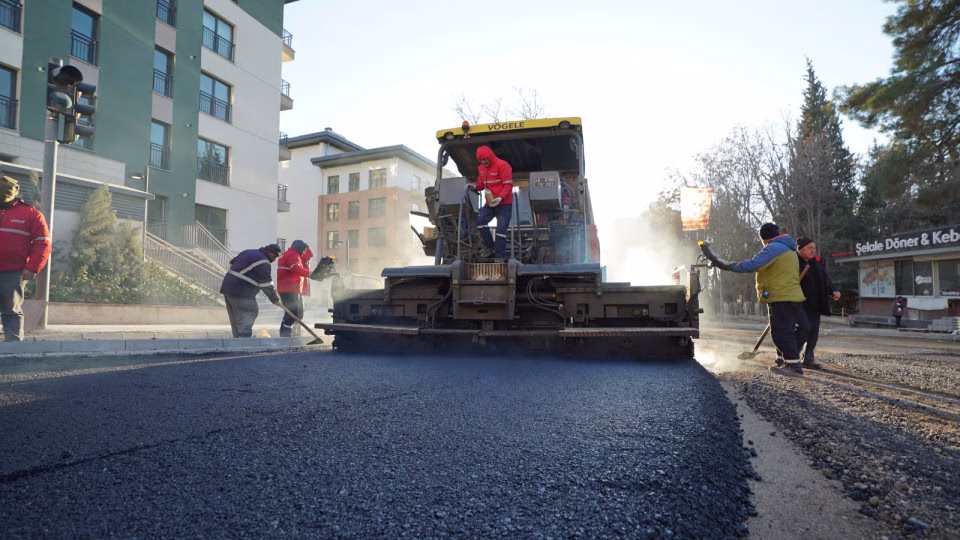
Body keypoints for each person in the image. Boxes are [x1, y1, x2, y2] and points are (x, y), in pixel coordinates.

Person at [707, 222, 807, 376]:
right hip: (793, 297)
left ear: (764, 239)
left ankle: (793, 366)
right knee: (786, 330)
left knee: (781, 333)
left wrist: (725, 265)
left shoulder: (773, 248)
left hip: (781, 297)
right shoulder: (788, 248)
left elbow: (752, 265)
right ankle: (788, 361)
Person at [0, 175, 52, 342]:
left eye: (4, 195)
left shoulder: (31, 214)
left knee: (10, 309)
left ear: (12, 194)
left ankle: (13, 348)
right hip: (12, 271)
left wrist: (32, 267)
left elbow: (43, 243)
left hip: (12, 272)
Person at [794, 236, 840, 369]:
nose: (813, 250)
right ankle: (792, 356)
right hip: (799, 303)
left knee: (813, 331)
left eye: (814, 248)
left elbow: (827, 280)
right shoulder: (794, 262)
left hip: (815, 303)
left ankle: (808, 358)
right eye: (809, 248)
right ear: (800, 249)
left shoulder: (818, 263)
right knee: (804, 328)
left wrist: (833, 290)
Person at [220, 244, 282, 338]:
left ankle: (237, 339)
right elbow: (266, 284)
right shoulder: (263, 262)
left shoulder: (248, 252)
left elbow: (232, 263)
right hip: (241, 290)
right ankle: (244, 338)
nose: (274, 260)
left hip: (228, 287)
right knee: (249, 311)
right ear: (269, 252)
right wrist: (275, 299)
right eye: (274, 256)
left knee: (236, 317)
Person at [467, 145, 513, 261]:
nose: (483, 162)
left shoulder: (503, 165)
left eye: (485, 159)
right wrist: (474, 187)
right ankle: (489, 247)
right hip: (490, 202)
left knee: (501, 230)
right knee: (480, 222)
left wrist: (500, 198)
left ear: (491, 156)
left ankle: (499, 257)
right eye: (481, 160)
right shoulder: (481, 168)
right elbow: (481, 184)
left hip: (504, 203)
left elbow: (508, 185)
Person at [277, 240, 313, 337]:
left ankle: (286, 332)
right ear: (299, 248)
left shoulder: (290, 254)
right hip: (290, 289)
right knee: (292, 312)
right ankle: (286, 333)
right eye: (304, 250)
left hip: (288, 288)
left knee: (292, 312)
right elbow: (295, 268)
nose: (304, 253)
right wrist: (310, 274)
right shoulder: (293, 255)